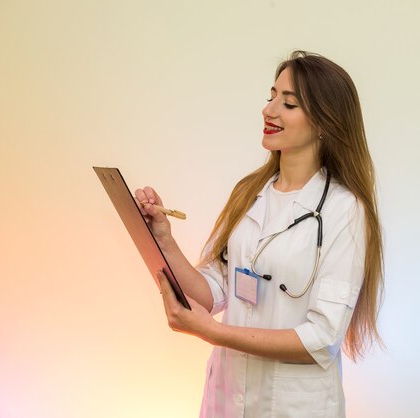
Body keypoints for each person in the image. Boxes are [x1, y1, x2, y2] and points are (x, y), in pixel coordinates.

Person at [135, 50, 384, 418]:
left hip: (293, 406)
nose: (269, 111)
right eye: (271, 97)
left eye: (289, 103)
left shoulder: (344, 211)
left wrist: (214, 334)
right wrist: (164, 240)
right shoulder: (249, 192)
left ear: (323, 122)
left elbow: (321, 338)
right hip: (227, 397)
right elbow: (213, 292)